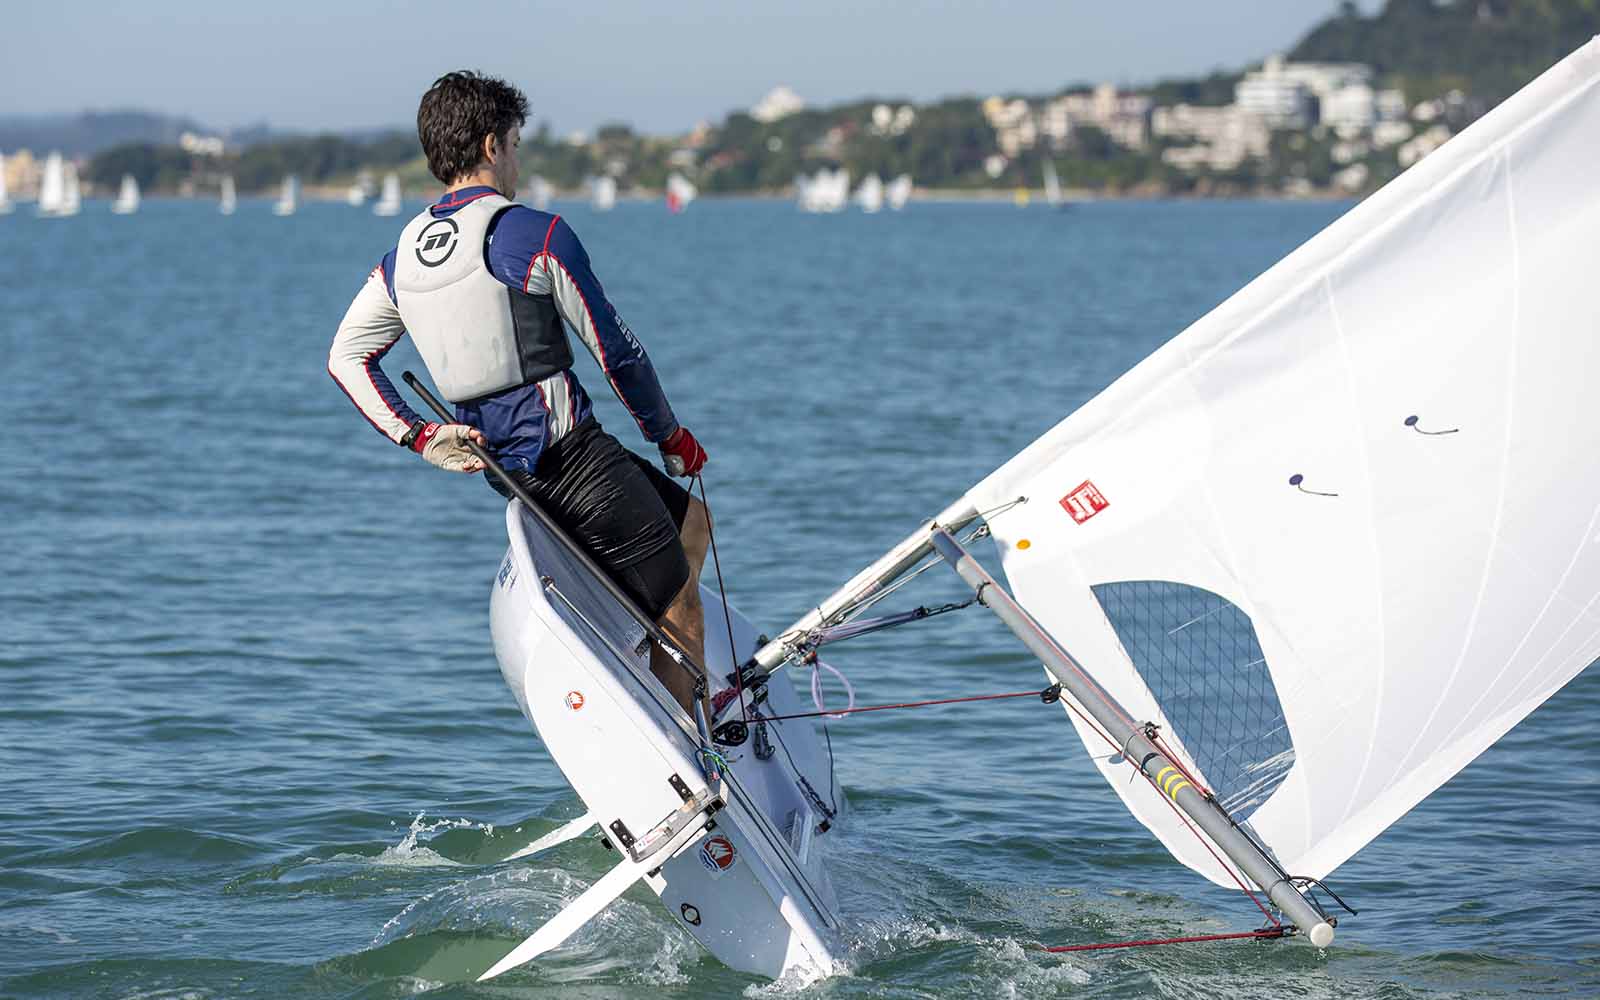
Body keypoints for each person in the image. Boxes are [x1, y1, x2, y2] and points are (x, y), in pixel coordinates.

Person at [328, 71, 711, 714]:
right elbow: (616, 352)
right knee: (683, 609)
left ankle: (645, 669)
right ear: (490, 146)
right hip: (572, 461)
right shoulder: (534, 234)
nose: (517, 161)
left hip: (510, 474)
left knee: (693, 524)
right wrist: (670, 436)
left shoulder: (403, 258)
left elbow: (346, 358)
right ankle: (684, 749)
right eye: (514, 144)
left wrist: (421, 436)